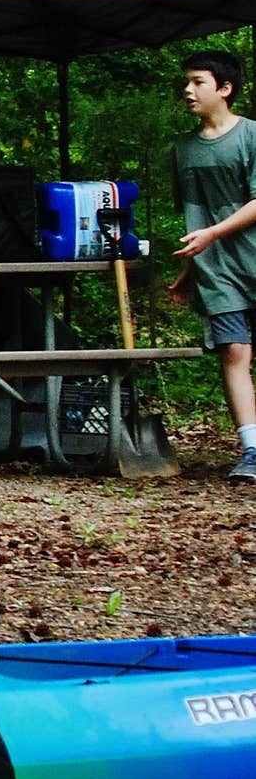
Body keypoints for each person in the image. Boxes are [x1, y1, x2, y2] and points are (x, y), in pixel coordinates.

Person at [167, 50, 256, 481]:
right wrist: (191, 266)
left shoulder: (252, 137)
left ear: (225, 89)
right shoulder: (182, 148)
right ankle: (252, 450)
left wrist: (214, 235)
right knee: (234, 351)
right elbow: (195, 212)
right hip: (217, 271)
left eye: (198, 82)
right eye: (186, 82)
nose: (188, 90)